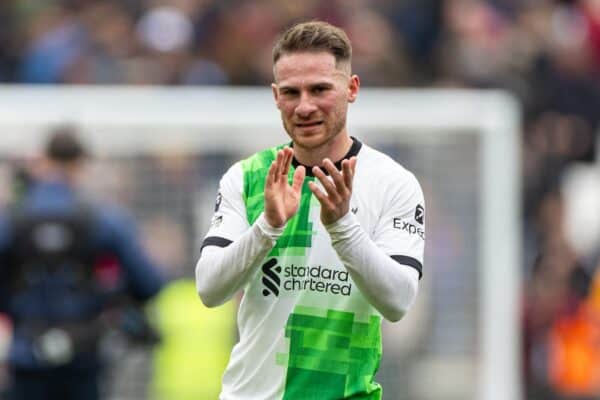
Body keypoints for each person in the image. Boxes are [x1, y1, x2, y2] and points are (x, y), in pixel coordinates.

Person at [195, 20, 425, 400]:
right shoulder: (249, 178)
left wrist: (342, 226)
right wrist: (267, 226)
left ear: (351, 89)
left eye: (319, 89)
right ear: (275, 95)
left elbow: (399, 300)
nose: (304, 106)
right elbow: (209, 289)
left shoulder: (393, 183)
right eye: (291, 92)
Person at [0, 128, 164, 400]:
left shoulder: (11, 220)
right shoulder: (104, 219)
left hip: (26, 354)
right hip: (84, 357)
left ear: (45, 160)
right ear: (80, 164)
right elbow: (149, 283)